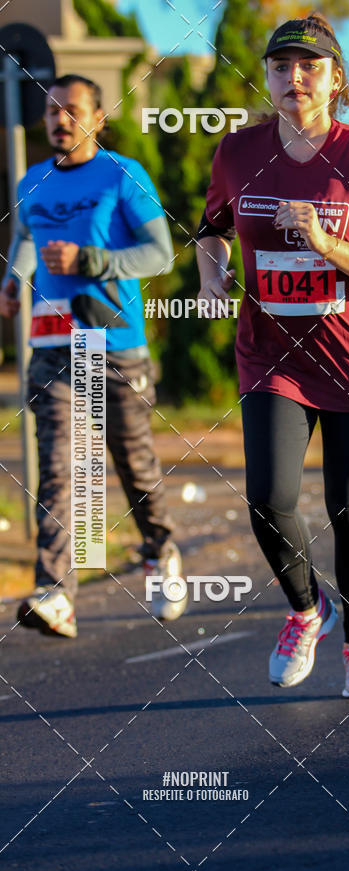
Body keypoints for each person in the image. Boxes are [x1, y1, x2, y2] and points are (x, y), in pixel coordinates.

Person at [196, 13, 349, 697]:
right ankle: (304, 608)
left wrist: (326, 245)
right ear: (265, 76)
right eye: (282, 66)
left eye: (310, 66)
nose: (295, 77)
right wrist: (210, 273)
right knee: (268, 498)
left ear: (336, 79)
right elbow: (211, 229)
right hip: (271, 352)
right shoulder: (237, 152)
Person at [0, 74, 187, 638]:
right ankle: (56, 592)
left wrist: (91, 261)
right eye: (53, 110)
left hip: (114, 344)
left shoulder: (124, 175)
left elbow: (160, 255)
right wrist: (14, 281)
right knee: (60, 469)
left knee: (134, 465)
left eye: (73, 109)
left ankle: (160, 550)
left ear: (98, 118)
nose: (61, 119)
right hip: (53, 343)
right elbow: (27, 243)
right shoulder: (32, 181)